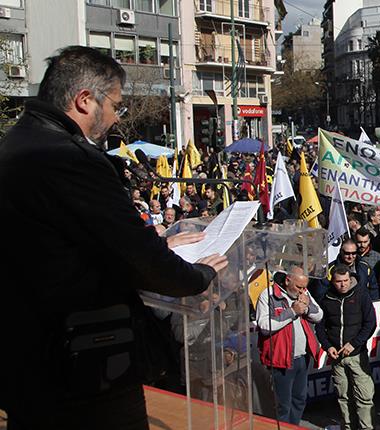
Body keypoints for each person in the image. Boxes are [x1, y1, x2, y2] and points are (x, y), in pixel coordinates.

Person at [0, 46, 228, 428]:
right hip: (80, 368)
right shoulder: (71, 159)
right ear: (85, 100)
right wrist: (199, 275)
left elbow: (73, 244)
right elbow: (140, 261)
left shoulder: (15, 146)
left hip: (25, 363)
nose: (115, 117)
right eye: (115, 105)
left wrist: (161, 245)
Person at [256, 267, 325, 425]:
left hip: (302, 357)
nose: (302, 291)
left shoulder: (303, 293)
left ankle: (294, 427)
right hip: (281, 358)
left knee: (299, 399)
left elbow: (319, 315)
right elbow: (265, 326)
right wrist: (292, 312)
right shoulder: (268, 295)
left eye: (304, 287)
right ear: (287, 281)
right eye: (299, 287)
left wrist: (306, 308)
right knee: (283, 405)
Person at [316, 266, 377, 430]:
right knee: (343, 397)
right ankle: (348, 427)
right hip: (337, 357)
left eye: (345, 281)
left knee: (364, 397)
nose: (343, 285)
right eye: (338, 282)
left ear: (350, 279)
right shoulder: (326, 298)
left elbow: (370, 324)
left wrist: (354, 343)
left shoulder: (361, 295)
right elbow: (320, 327)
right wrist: (327, 346)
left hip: (357, 356)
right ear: (332, 281)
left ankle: (366, 428)